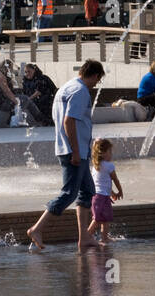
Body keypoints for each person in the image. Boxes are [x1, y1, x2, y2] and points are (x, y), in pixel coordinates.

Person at [27, 59, 105, 252]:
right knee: (69, 193)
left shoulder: (66, 87)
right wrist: (76, 152)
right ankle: (37, 229)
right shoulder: (80, 91)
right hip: (74, 150)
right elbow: (68, 121)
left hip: (71, 148)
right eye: (98, 80)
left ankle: (84, 237)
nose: (96, 84)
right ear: (94, 75)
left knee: (87, 191)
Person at [86, 139, 123, 245]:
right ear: (102, 153)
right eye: (110, 152)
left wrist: (112, 194)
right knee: (99, 219)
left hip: (97, 196)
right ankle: (88, 236)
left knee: (103, 218)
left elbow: (104, 185)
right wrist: (120, 191)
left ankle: (103, 237)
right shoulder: (109, 165)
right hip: (101, 197)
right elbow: (115, 180)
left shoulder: (95, 166)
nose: (111, 154)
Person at [0, 59, 20, 126]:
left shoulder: (0, 74)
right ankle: (40, 118)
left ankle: (14, 119)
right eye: (10, 68)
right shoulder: (0, 76)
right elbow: (7, 92)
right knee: (24, 99)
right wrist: (16, 101)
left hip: (0, 101)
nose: (10, 70)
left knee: (23, 98)